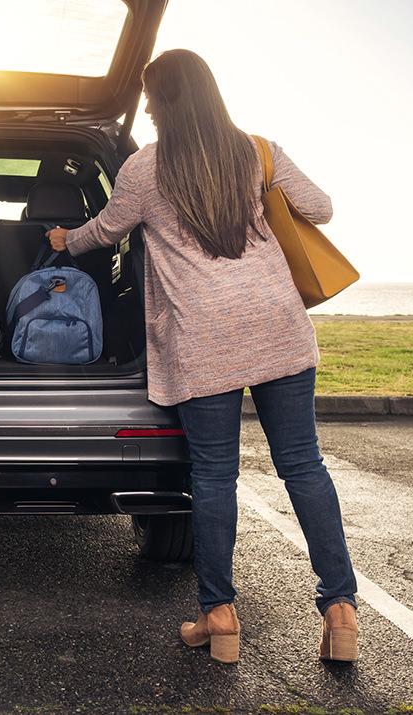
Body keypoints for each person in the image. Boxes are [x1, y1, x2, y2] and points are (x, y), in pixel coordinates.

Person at [47, 49, 358, 665]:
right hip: (277, 328)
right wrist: (265, 189)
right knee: (303, 465)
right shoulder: (255, 150)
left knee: (214, 477)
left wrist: (62, 240)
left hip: (203, 338)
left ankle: (218, 616)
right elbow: (320, 208)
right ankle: (340, 610)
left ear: (158, 102)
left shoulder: (144, 168)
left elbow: (105, 232)